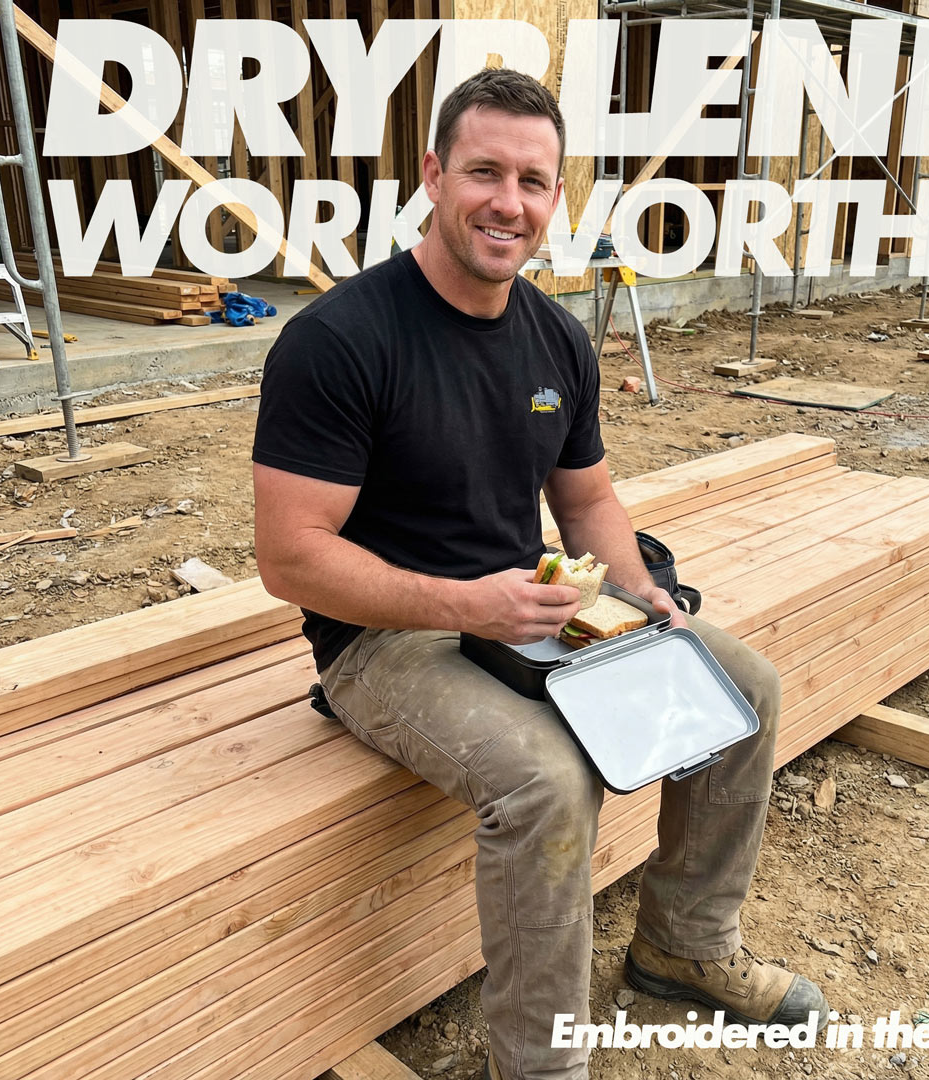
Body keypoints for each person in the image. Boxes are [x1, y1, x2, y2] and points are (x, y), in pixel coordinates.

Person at [252, 67, 827, 1080]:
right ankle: (543, 1062)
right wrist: (463, 601)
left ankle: (682, 948)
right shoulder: (340, 340)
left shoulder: (556, 334)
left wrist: (646, 597)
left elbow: (588, 502)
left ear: (556, 196)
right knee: (549, 783)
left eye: (533, 180)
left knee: (741, 686)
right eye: (483, 171)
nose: (507, 203)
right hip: (387, 638)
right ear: (433, 176)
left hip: (530, 608)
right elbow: (290, 558)